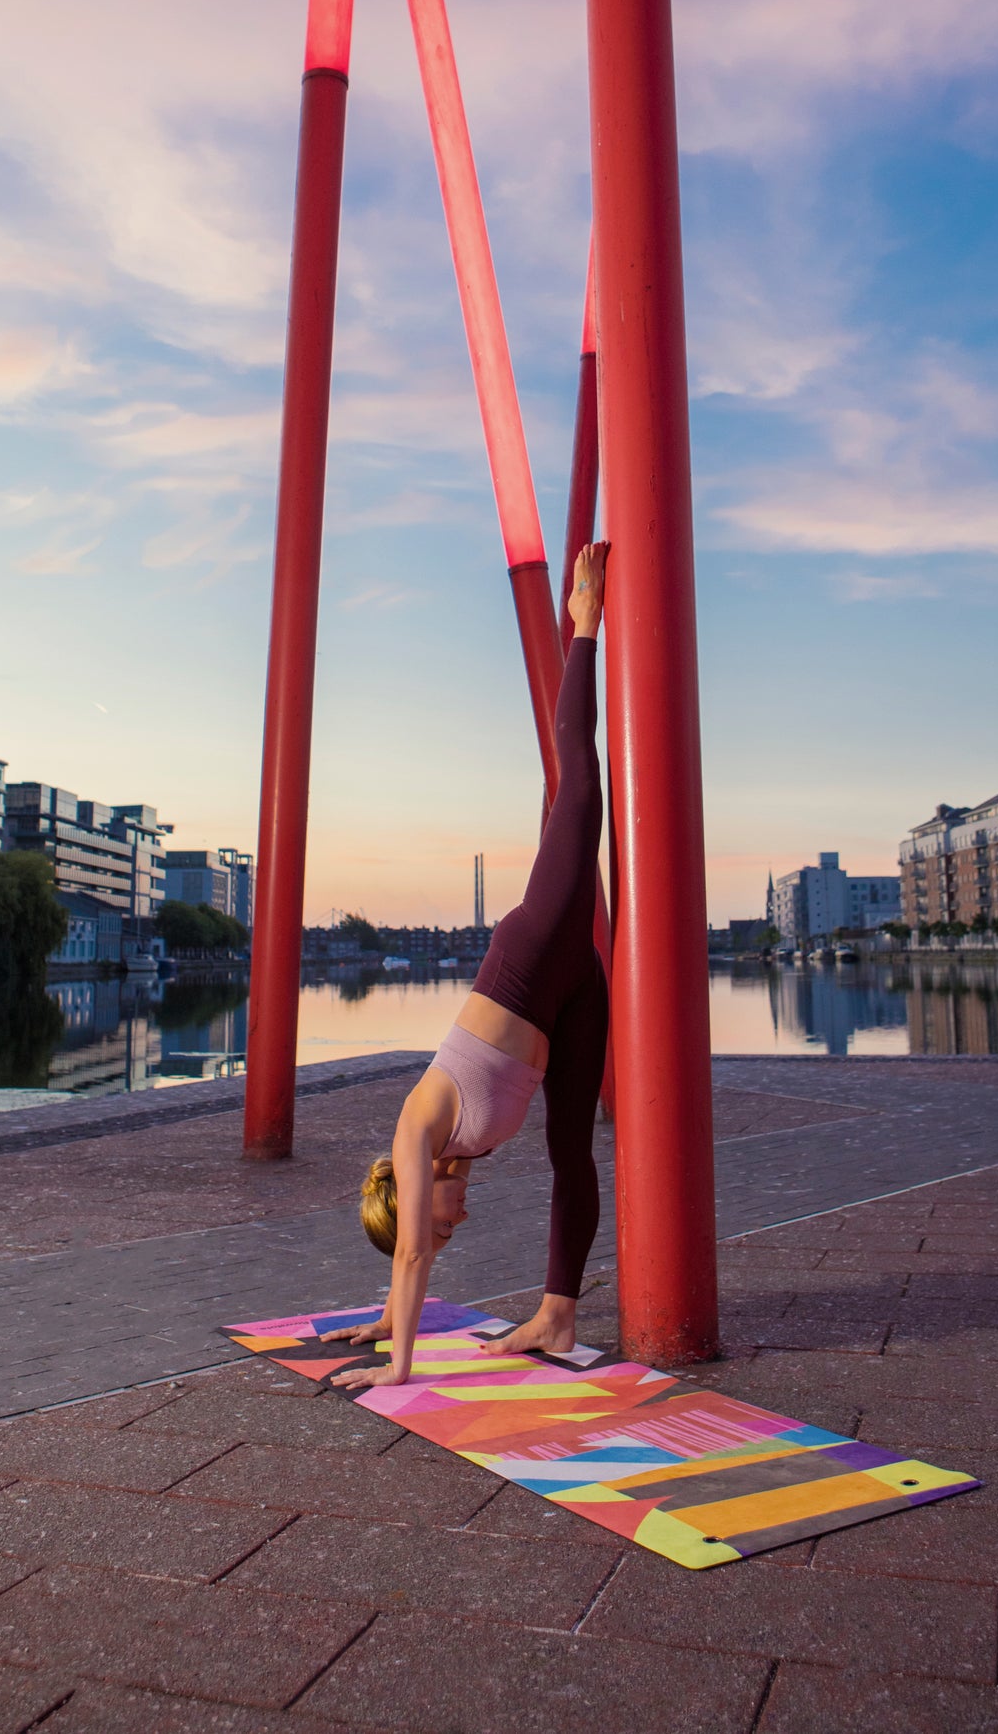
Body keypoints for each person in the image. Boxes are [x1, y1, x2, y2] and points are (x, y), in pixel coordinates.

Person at [327, 541, 609, 1390]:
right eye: (447, 1232)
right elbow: (409, 1253)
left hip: (530, 958)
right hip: (569, 997)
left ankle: (584, 623)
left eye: (443, 1228)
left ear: (405, 1192)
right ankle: (557, 1317)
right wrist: (384, 1314)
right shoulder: (449, 1158)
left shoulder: (416, 1128)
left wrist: (398, 1368)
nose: (452, 1231)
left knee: (579, 786)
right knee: (573, 1152)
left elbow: (410, 1246)